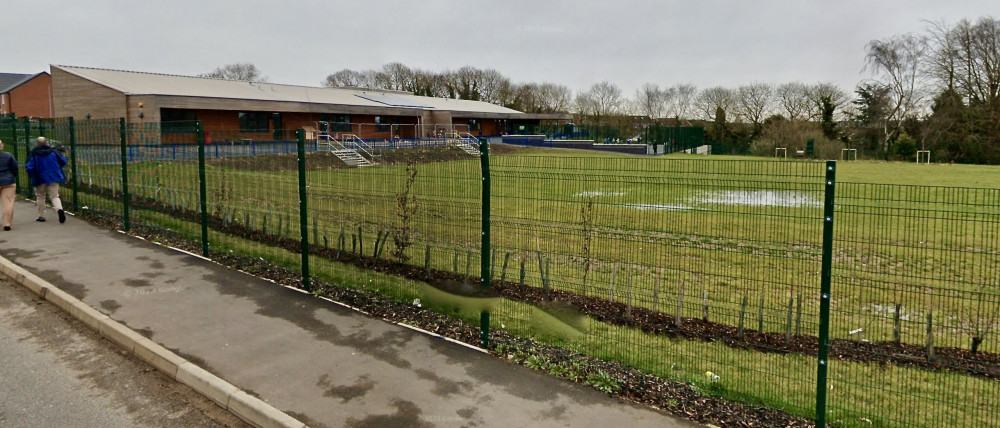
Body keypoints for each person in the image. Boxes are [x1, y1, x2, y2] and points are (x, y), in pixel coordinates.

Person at [25, 137, 67, 223]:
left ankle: (42, 216)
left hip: (40, 178)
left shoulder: (34, 154)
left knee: (40, 196)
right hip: (54, 177)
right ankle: (59, 210)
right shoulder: (54, 152)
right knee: (55, 196)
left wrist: (32, 174)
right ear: (47, 143)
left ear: (37, 144)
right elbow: (63, 161)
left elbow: (29, 167)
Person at [0, 139, 17, 231]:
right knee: (8, 203)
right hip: (8, 181)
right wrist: (12, 176)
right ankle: (7, 224)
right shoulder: (8, 156)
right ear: (1, 146)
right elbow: (14, 167)